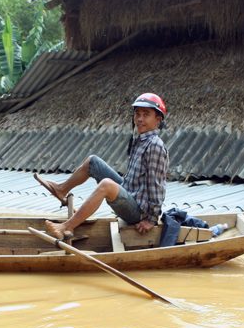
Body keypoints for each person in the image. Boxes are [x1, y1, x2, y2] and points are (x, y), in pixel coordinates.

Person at [36, 93, 169, 240]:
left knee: (106, 185)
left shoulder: (155, 145)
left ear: (158, 120)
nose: (139, 119)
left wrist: (151, 219)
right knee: (93, 162)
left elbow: (157, 186)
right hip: (130, 193)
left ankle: (66, 227)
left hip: (138, 212)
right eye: (137, 114)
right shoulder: (140, 140)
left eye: (146, 115)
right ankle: (61, 190)